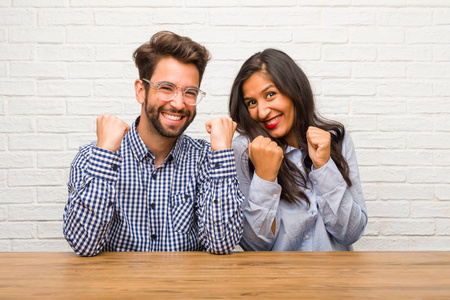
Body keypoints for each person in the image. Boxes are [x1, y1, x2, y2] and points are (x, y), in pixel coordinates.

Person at [63, 31, 244, 256]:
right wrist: (105, 154)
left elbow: (222, 244)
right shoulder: (93, 157)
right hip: (115, 289)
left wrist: (222, 153)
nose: (179, 104)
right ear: (141, 90)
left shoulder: (209, 159)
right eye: (166, 88)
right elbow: (84, 245)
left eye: (190, 92)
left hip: (187, 289)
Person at [229, 49, 367, 251]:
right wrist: (265, 176)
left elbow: (350, 233)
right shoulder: (244, 150)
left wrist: (324, 166)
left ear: (294, 90)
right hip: (279, 280)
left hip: (334, 279)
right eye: (251, 102)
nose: (262, 111)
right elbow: (255, 245)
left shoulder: (337, 140)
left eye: (270, 94)